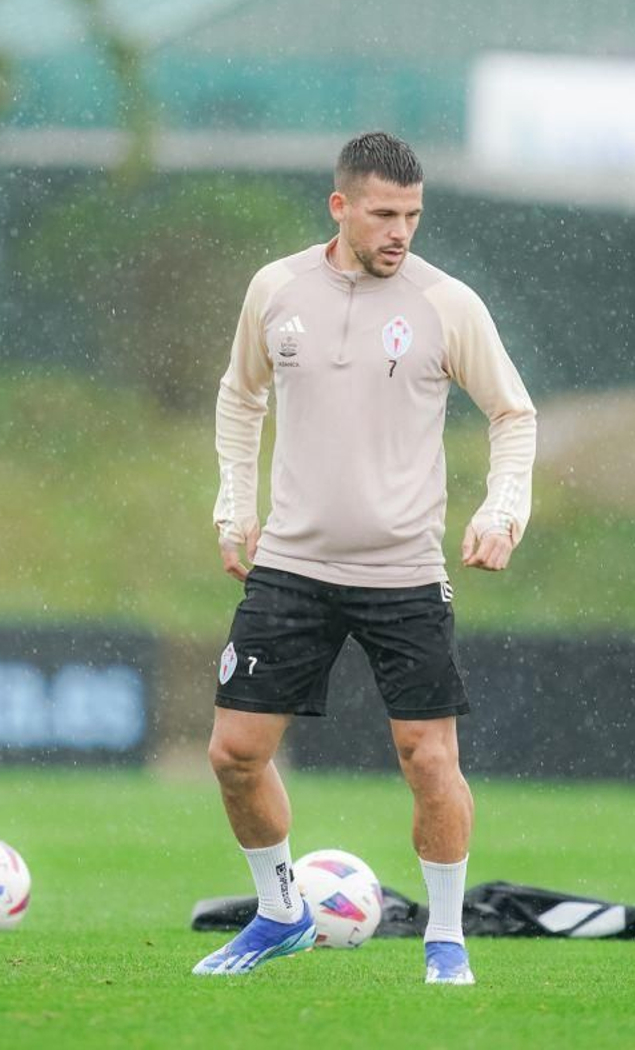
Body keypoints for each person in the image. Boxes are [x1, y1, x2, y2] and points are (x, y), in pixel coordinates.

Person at [193, 132, 537, 985]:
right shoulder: (277, 290)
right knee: (234, 752)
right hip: (292, 564)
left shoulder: (446, 303)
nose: (400, 231)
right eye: (384, 213)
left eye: (413, 215)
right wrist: (235, 505)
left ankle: (447, 938)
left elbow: (513, 412)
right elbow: (241, 396)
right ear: (340, 206)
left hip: (404, 573)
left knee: (428, 757)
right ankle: (280, 912)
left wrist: (504, 510)